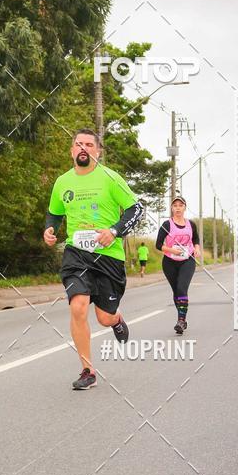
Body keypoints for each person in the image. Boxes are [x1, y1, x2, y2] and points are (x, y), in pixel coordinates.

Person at [43, 128, 145, 390]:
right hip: (76, 254)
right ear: (72, 150)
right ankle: (88, 370)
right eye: (79, 144)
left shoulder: (111, 178)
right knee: (77, 306)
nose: (84, 148)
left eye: (89, 144)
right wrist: (50, 229)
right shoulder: (62, 182)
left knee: (103, 317)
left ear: (97, 151)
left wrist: (114, 231)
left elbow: (137, 208)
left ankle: (117, 319)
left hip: (108, 256)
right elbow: (54, 213)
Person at [156, 197, 201, 335]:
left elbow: (195, 239)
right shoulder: (166, 224)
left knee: (182, 288)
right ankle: (182, 319)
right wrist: (172, 250)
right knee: (176, 292)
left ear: (184, 208)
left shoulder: (191, 224)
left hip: (187, 260)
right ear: (172, 208)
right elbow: (158, 245)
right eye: (175, 205)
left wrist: (197, 248)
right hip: (170, 262)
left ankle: (181, 320)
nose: (178, 208)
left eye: (180, 205)